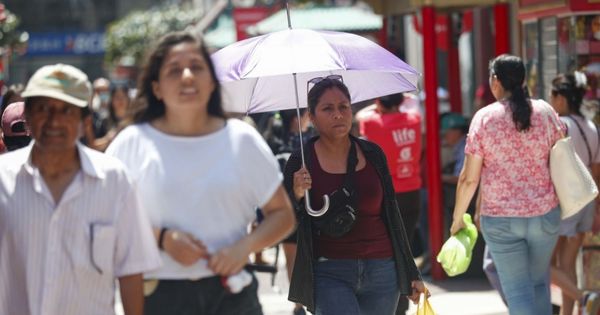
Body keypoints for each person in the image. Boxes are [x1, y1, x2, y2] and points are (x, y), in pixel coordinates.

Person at [105, 31, 295, 315]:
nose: (187, 76)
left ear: (211, 82)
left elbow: (283, 215)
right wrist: (162, 238)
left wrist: (245, 247)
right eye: (173, 70)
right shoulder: (130, 143)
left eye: (196, 67)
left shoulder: (242, 139)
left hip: (233, 294)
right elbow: (104, 217)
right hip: (158, 295)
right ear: (156, 88)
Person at [0, 63, 161, 315]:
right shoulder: (2, 179)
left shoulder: (114, 180)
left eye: (67, 110)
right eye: (44, 109)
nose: (55, 120)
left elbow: (131, 270)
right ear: (29, 117)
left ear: (85, 121)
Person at [283, 75, 425, 315]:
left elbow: (392, 214)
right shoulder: (301, 161)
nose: (338, 114)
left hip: (382, 270)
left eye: (343, 107)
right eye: (327, 108)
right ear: (312, 117)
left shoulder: (373, 154)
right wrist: (296, 194)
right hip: (328, 272)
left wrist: (411, 272)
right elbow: (285, 222)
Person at [450, 54, 562, 315]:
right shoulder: (545, 111)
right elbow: (560, 154)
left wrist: (458, 218)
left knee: (519, 292)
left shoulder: (485, 118)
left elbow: (469, 178)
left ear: (495, 81)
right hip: (545, 215)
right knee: (538, 286)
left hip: (501, 220)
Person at [356, 92, 422, 315]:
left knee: (389, 252)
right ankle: (403, 302)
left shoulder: (373, 122)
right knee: (406, 248)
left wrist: (376, 106)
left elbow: (359, 115)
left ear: (378, 103)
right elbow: (413, 105)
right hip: (412, 191)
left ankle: (396, 304)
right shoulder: (414, 120)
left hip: (386, 195)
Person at [548, 71, 600, 315]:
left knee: (544, 264)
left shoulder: (561, 125)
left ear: (560, 98)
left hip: (564, 202)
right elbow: (596, 171)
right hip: (586, 202)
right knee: (568, 266)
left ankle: (583, 297)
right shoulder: (591, 126)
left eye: (552, 95)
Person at [93, 84, 133, 151]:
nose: (120, 100)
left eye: (123, 97)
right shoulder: (104, 120)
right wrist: (107, 139)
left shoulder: (135, 121)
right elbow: (93, 145)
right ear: (112, 100)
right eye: (117, 97)